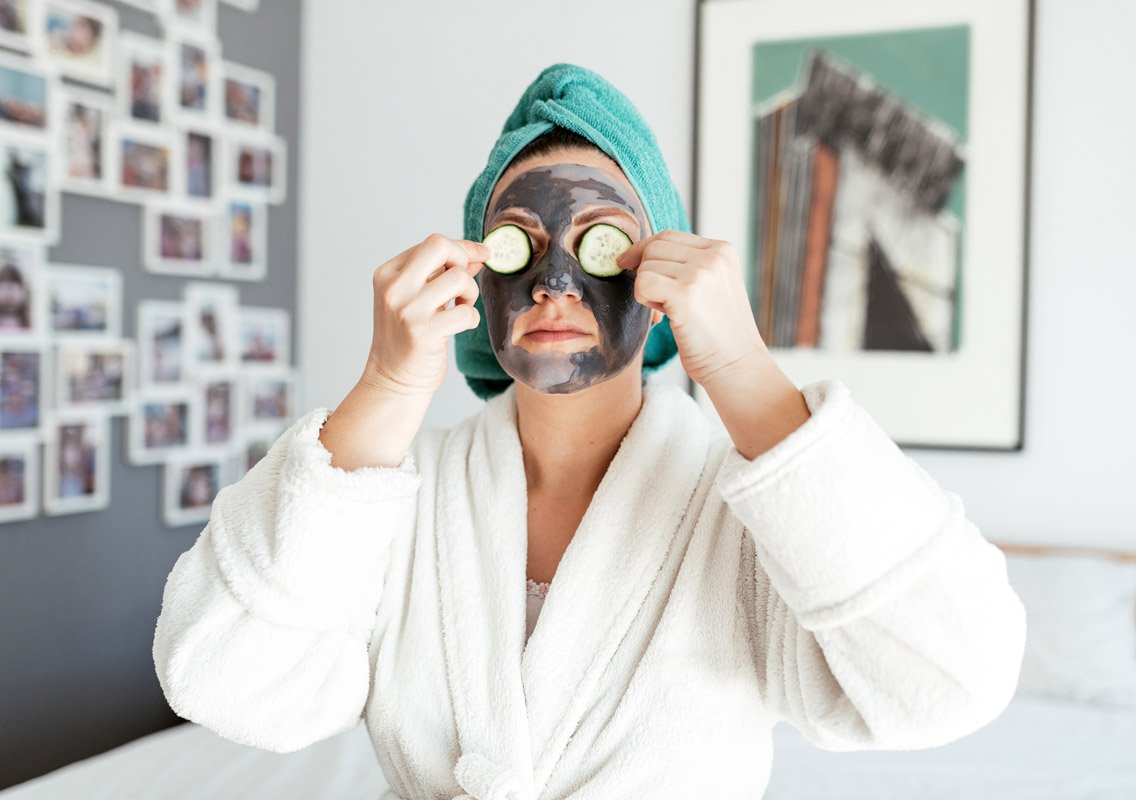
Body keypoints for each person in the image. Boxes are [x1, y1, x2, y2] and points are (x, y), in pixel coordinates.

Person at [152, 63, 1026, 799]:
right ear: (475, 278)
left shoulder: (750, 514)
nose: (555, 282)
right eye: (515, 245)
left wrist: (744, 372)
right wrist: (386, 383)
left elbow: (951, 680)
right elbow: (225, 682)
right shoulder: (400, 496)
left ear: (658, 273)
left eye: (601, 240)